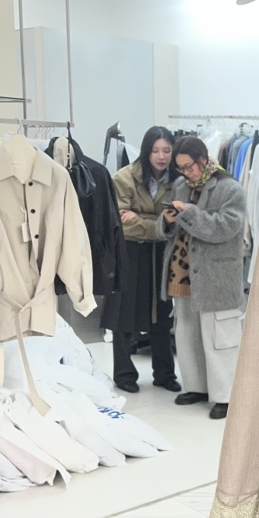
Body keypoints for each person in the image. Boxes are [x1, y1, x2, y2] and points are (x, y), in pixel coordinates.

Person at [159, 136, 247, 419]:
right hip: (183, 271)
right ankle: (196, 387)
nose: (187, 173)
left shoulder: (230, 188)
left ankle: (225, 395)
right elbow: (171, 230)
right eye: (181, 168)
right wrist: (167, 221)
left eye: (189, 166)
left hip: (216, 275)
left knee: (219, 337)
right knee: (187, 334)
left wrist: (190, 213)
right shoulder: (181, 185)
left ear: (203, 159)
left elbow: (225, 227)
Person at [106, 127, 181, 394]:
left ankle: (165, 373)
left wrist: (140, 219)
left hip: (163, 253)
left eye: (167, 150)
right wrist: (160, 223)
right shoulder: (124, 178)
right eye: (155, 150)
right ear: (146, 151)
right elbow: (121, 224)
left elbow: (179, 220)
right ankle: (124, 374)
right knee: (124, 312)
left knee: (162, 313)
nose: (161, 156)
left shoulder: (178, 180)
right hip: (130, 252)